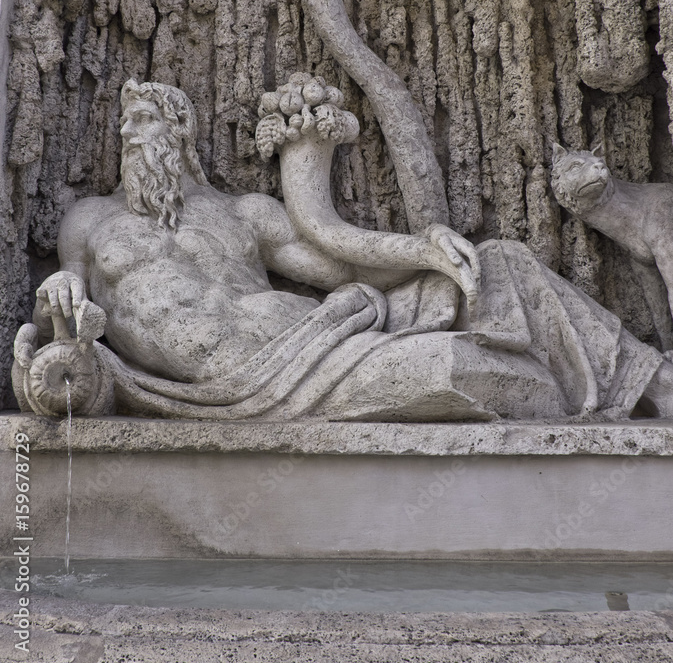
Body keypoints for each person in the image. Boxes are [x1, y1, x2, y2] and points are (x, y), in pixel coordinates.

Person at [15, 78, 673, 421]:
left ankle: (654, 383)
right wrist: (59, 299)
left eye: (144, 120)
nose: (130, 134)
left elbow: (338, 261)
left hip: (323, 336)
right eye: (125, 124)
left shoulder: (242, 212)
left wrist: (424, 248)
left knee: (499, 261)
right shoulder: (91, 219)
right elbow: (61, 299)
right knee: (459, 367)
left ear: (181, 132)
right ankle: (555, 384)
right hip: (240, 384)